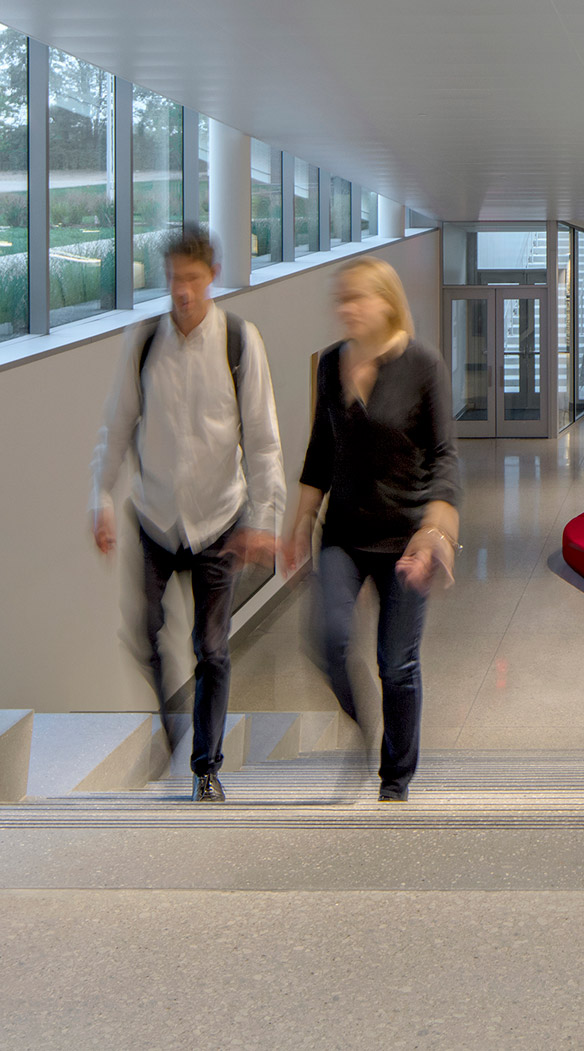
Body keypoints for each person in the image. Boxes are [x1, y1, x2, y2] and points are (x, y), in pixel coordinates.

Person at [87, 223, 284, 803]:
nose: (182, 291)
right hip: (153, 517)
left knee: (212, 649)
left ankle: (205, 767)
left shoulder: (240, 341)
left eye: (193, 279)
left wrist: (264, 521)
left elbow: (265, 440)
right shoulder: (144, 341)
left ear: (212, 277)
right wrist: (99, 498)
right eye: (174, 279)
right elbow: (116, 426)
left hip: (220, 522)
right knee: (143, 633)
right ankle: (170, 720)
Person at [285, 257, 460, 802]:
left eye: (357, 298)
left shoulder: (422, 365)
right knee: (328, 639)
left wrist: (435, 531)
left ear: (386, 300)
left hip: (405, 537)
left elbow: (444, 456)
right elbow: (322, 446)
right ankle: (364, 724)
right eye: (341, 300)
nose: (346, 310)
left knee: (397, 663)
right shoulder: (330, 362)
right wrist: (301, 520)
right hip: (343, 533)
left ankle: (395, 779)